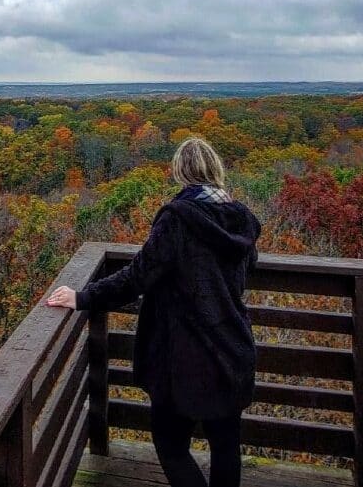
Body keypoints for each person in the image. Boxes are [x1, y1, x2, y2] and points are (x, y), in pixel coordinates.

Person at [46, 137, 261, 487]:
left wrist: (82, 297)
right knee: (226, 446)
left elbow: (137, 276)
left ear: (180, 172)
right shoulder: (240, 221)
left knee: (170, 444)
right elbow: (242, 267)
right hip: (233, 347)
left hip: (184, 356)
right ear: (216, 170)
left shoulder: (177, 219)